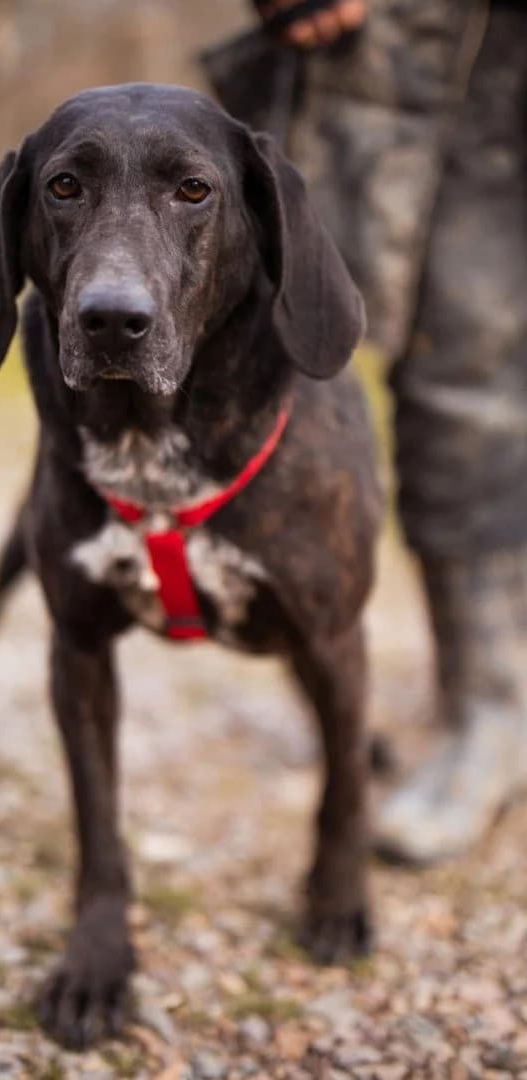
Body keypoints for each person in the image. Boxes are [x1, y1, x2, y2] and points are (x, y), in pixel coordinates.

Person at [203, 0, 527, 863]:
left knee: (471, 371)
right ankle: (468, 707)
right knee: (313, 329)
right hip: (396, 46)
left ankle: (492, 705)